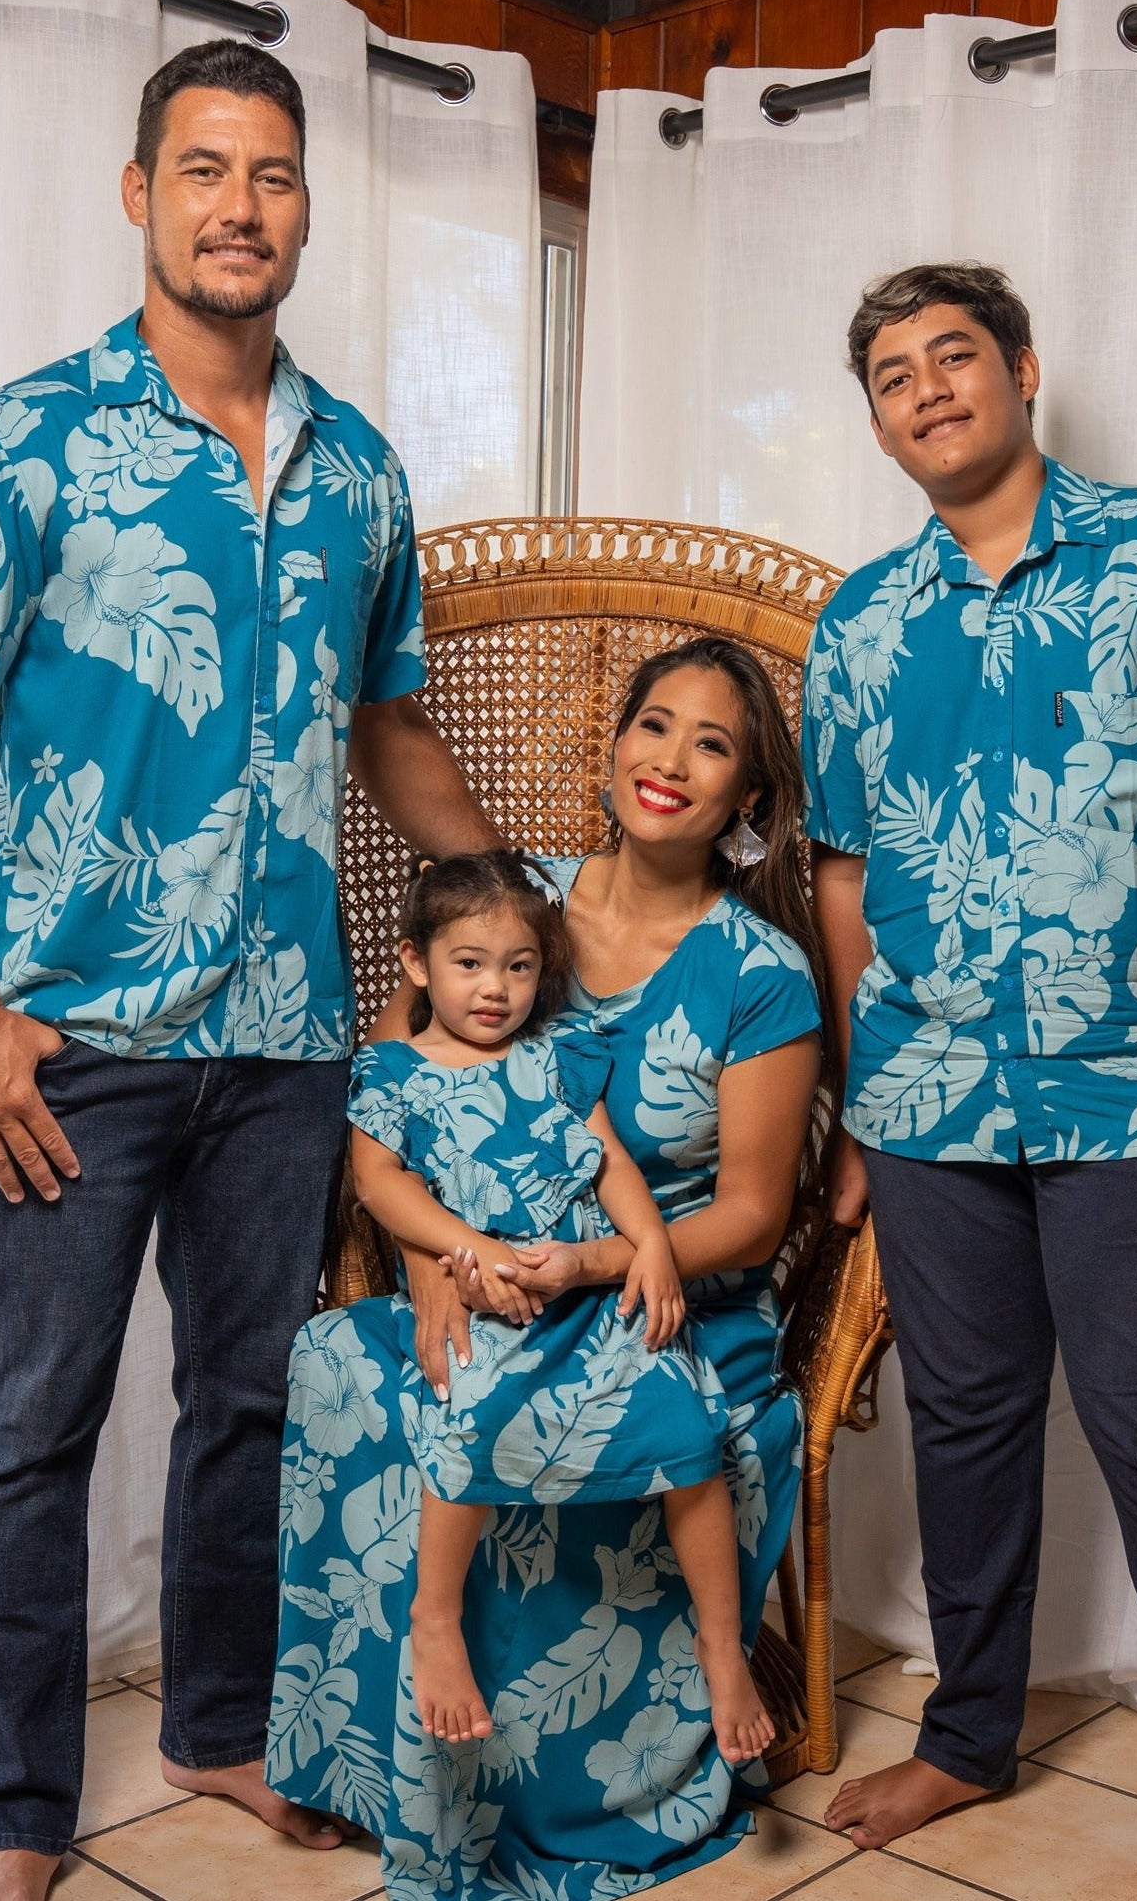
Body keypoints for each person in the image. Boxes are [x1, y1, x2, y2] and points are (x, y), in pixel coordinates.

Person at [0, 40, 498, 1901]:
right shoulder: (11, 443)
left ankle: (217, 1724)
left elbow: (388, 723)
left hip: (290, 1037)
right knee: (37, 1425)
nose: (240, 208)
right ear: (139, 194)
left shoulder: (363, 472)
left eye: (274, 176)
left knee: (247, 1397)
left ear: (306, 205)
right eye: (205, 171)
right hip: (68, 1027)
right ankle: (13, 1814)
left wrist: (517, 896)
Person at [802, 261, 1137, 1901]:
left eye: (952, 356)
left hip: (1132, 1083)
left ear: (1019, 370)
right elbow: (845, 875)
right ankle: (966, 1730)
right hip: (927, 1102)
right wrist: (865, 1103)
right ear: (874, 420)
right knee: (970, 1424)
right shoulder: (859, 625)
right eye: (889, 374)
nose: (925, 387)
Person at [271, 637, 825, 1899]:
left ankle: (577, 1785)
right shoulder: (515, 911)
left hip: (662, 1292)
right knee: (341, 1365)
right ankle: (386, 1761)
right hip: (481, 1272)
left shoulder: (761, 973)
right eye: (654, 724)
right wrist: (432, 1269)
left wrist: (590, 1260)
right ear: (614, 745)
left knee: (592, 1414)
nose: (670, 760)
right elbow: (399, 1105)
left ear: (746, 799)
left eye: (713, 743)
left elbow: (750, 1210)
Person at [347, 847, 774, 1763]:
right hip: (481, 1294)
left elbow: (609, 1162)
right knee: (466, 1409)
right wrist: (472, 1248)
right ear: (418, 963)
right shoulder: (392, 1071)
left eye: (519, 966)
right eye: (469, 964)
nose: (495, 989)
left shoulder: (556, 1057)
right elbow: (380, 1184)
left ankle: (721, 1642)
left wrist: (652, 1249)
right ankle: (435, 1618)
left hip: (584, 1292)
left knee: (688, 1429)